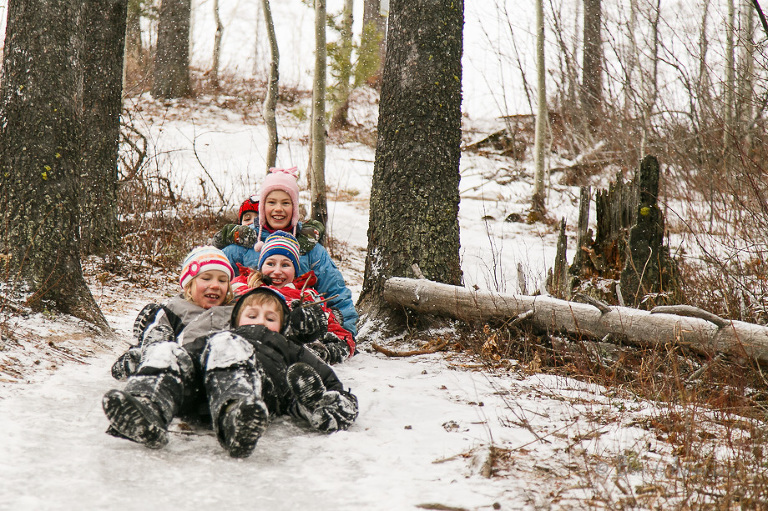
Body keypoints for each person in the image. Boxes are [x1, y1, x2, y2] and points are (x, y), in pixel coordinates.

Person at [103, 281, 358, 458]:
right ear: (236, 319)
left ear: (282, 327)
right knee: (171, 350)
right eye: (252, 315)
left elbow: (328, 379)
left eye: (270, 319)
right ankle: (148, 409)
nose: (260, 321)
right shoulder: (219, 336)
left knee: (227, 344)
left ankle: (237, 417)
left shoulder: (286, 345)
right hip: (201, 390)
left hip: (258, 390)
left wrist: (337, 402)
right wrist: (152, 358)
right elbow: (186, 358)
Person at [211, 166, 359, 337]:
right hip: (249, 325)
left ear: (294, 208)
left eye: (285, 203)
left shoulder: (311, 250)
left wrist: (346, 331)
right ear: (262, 207)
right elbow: (212, 278)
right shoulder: (243, 244)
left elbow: (335, 290)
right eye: (271, 202)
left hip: (297, 330)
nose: (278, 209)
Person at [234, 230, 355, 365]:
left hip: (290, 355)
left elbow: (341, 335)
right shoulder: (244, 286)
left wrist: (329, 351)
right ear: (261, 266)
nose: (277, 271)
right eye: (270, 264)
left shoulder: (309, 297)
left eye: (285, 265)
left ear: (295, 270)